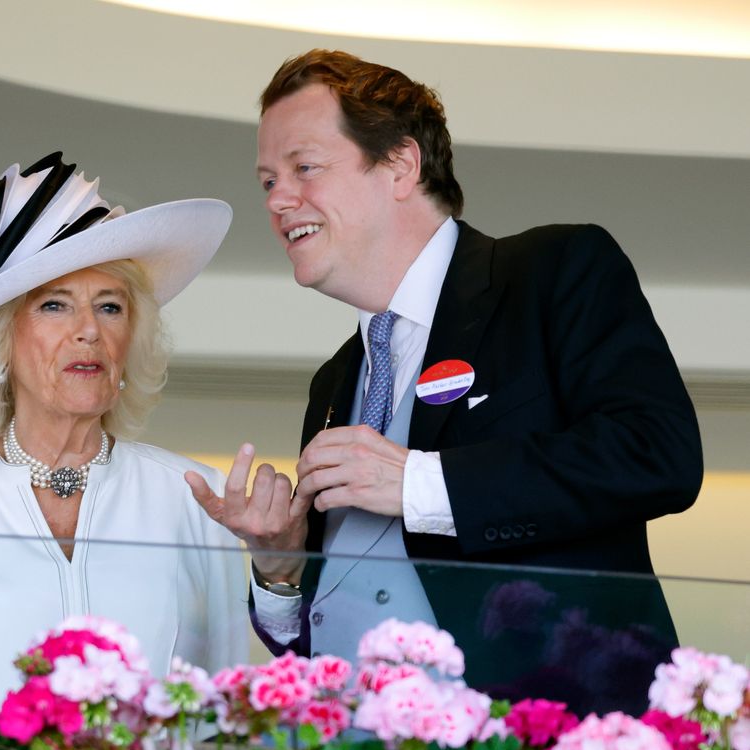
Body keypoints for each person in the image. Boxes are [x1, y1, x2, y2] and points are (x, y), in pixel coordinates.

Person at [186, 50, 703, 715]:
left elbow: (657, 452)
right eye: (267, 181)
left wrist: (418, 483)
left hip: (544, 744)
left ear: (401, 163)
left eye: (304, 168)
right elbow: (324, 630)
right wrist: (282, 569)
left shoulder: (552, 273)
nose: (279, 199)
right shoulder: (334, 384)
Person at [0, 152, 247, 709]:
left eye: (110, 307)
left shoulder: (198, 497)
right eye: (55, 305)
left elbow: (218, 718)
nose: (88, 331)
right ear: (0, 343)